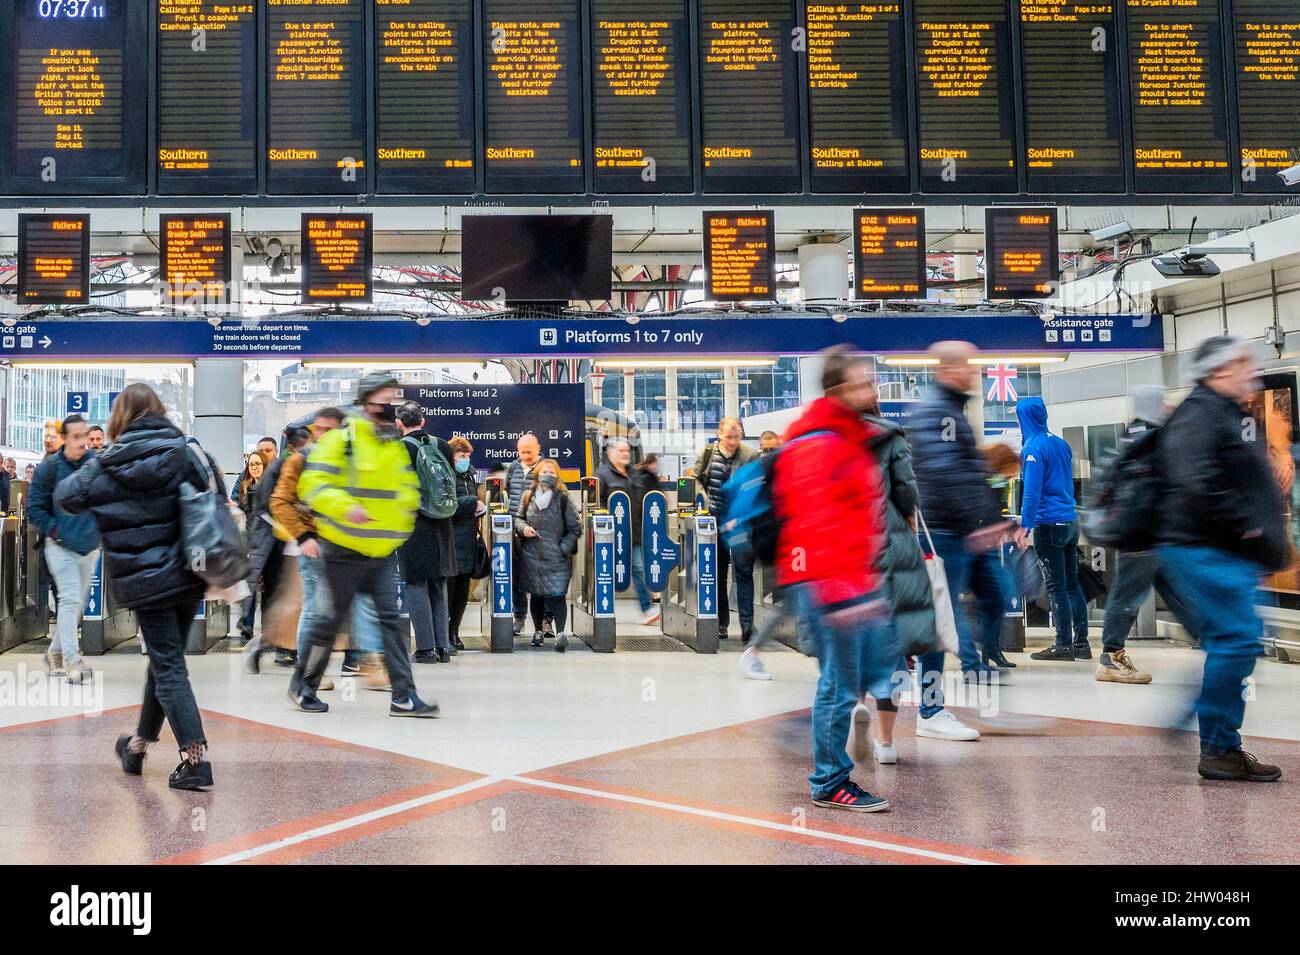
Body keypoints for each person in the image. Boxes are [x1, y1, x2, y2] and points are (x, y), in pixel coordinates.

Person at [56, 384, 220, 790]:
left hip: (145, 581)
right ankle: (137, 746)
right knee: (165, 661)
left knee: (168, 664)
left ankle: (195, 760)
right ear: (158, 411)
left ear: (119, 418)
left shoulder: (105, 462)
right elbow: (212, 489)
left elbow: (66, 498)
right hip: (189, 573)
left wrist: (80, 460)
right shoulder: (183, 450)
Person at [1157, 336, 1284, 782]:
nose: (1252, 368)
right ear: (1219, 370)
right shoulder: (1200, 413)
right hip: (1203, 547)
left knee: (1234, 637)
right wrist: (1245, 527)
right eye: (1244, 361)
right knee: (1239, 637)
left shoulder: (1224, 412)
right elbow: (1197, 481)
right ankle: (1212, 740)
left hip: (1221, 548)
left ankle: (1214, 738)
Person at [772, 347, 893, 812]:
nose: (873, 389)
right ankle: (827, 780)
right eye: (864, 382)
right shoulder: (820, 442)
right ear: (840, 390)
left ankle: (811, 738)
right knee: (840, 683)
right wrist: (844, 591)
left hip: (850, 578)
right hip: (828, 580)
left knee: (857, 676)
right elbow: (816, 522)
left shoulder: (843, 436)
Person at [291, 372, 437, 717]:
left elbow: (406, 488)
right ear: (367, 401)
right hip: (343, 549)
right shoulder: (341, 440)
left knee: (391, 621)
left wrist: (403, 518)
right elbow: (312, 485)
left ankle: (403, 696)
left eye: (393, 401)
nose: (390, 407)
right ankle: (303, 684)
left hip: (382, 551)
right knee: (330, 622)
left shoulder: (393, 446)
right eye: (384, 401)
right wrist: (346, 508)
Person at [909, 340, 1011, 742]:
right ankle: (930, 708)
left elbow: (970, 471)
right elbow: (945, 472)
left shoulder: (952, 411)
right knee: (939, 621)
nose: (972, 372)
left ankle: (983, 681)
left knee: (995, 597)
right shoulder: (938, 412)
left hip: (966, 531)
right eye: (967, 365)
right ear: (950, 369)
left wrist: (990, 520)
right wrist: (980, 522)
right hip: (945, 533)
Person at [263, 407, 383, 685]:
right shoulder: (301, 460)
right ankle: (308, 673)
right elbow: (279, 501)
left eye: (330, 429)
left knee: (353, 606)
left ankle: (361, 664)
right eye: (320, 428)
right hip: (314, 547)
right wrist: (304, 536)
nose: (323, 434)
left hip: (347, 547)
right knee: (315, 609)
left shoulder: (348, 461)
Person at [857, 388, 937, 765]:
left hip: (846, 545)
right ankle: (886, 741)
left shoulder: (832, 437)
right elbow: (907, 492)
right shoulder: (891, 435)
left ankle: (855, 704)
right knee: (893, 640)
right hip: (888, 541)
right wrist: (906, 521)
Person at [1095, 386, 1191, 684]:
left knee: (1179, 593)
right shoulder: (1151, 437)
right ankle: (1110, 657)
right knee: (1127, 595)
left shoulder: (1132, 435)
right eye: (1161, 402)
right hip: (1144, 536)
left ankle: (1217, 641)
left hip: (1149, 535)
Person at [1013, 396, 1091, 661]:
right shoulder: (1061, 444)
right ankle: (1082, 644)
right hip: (1070, 521)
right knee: (1072, 585)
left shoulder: (1033, 448)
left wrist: (1025, 525)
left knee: (1056, 587)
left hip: (1049, 524)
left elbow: (1031, 493)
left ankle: (1063, 644)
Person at [27, 414, 101, 683]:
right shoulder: (50, 469)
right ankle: (72, 662)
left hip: (89, 546)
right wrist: (56, 529)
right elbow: (33, 507)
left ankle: (54, 651)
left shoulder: (94, 463)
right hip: (59, 547)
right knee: (69, 600)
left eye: (86, 436)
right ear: (66, 439)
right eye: (78, 437)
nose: (84, 442)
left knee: (76, 604)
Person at [397, 400, 468, 664]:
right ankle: (443, 647)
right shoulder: (442, 446)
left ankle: (425, 649)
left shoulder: (401, 448)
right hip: (444, 524)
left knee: (416, 585)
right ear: (423, 421)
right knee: (439, 584)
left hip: (416, 524)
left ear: (398, 423)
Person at [694, 417, 759, 640]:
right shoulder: (708, 453)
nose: (733, 441)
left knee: (743, 572)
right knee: (718, 573)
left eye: (737, 437)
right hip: (714, 521)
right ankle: (721, 622)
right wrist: (703, 500)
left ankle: (747, 624)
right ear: (720, 434)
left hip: (740, 524)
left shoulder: (750, 455)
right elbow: (696, 479)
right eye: (729, 437)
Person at [515, 458, 581, 648]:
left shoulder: (563, 498)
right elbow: (518, 518)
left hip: (557, 557)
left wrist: (563, 548)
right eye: (545, 472)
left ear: (557, 476)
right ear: (537, 474)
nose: (548, 475)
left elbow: (575, 527)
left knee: (557, 595)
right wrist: (523, 528)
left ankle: (560, 633)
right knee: (536, 595)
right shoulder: (528, 497)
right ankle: (537, 632)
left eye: (552, 473)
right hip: (532, 556)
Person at [595, 437, 660, 626]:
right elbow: (595, 504)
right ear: (610, 453)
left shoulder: (635, 474)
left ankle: (647, 608)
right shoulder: (602, 475)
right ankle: (601, 607)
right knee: (604, 571)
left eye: (626, 451)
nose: (625, 454)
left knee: (638, 568)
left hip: (634, 534)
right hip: (609, 536)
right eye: (620, 450)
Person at [447, 436, 485, 650]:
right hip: (452, 539)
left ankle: (455, 631)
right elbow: (448, 504)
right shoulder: (447, 476)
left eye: (468, 456)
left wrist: (479, 508)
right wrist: (473, 503)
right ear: (452, 456)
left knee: (463, 591)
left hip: (469, 539)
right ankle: (445, 633)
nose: (466, 460)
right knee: (450, 590)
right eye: (462, 456)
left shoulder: (469, 476)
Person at [504, 433, 543, 635]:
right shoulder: (514, 467)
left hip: (539, 534)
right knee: (517, 578)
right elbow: (508, 493)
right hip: (516, 532)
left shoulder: (546, 468)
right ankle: (519, 617)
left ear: (538, 448)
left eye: (529, 451)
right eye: (522, 452)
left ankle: (545, 621)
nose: (526, 456)